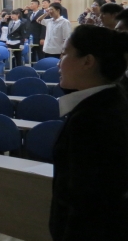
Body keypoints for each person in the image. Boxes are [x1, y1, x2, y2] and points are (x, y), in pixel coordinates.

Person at [49, 25, 128, 240]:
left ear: (87, 61)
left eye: (64, 53)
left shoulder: (92, 118)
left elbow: (87, 203)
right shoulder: (111, 101)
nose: (59, 62)